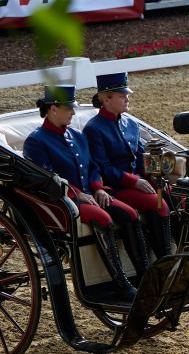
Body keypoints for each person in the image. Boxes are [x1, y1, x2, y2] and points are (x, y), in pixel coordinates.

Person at [23, 86, 144, 298]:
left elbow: (92, 168)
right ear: (53, 109)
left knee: (130, 215)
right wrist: (78, 194)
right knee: (103, 218)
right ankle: (120, 282)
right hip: (63, 200)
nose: (73, 112)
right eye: (68, 108)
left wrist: (98, 188)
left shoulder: (77, 136)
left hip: (90, 195)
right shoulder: (36, 141)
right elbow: (48, 179)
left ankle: (143, 275)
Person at [84, 72, 175, 268]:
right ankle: (164, 262)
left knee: (174, 195)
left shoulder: (131, 123)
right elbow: (102, 167)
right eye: (122, 95)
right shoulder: (94, 129)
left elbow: (143, 157)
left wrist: (156, 175)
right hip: (117, 188)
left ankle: (182, 252)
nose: (127, 98)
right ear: (107, 98)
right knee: (158, 203)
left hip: (139, 183)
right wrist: (134, 181)